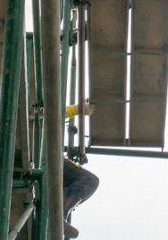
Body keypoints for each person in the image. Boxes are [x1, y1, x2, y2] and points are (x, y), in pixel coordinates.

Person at [63, 101, 100, 238]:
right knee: (90, 180)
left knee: (74, 186)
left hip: (43, 158)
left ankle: (62, 207)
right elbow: (52, 114)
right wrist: (77, 109)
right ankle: (62, 211)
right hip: (42, 156)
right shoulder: (35, 113)